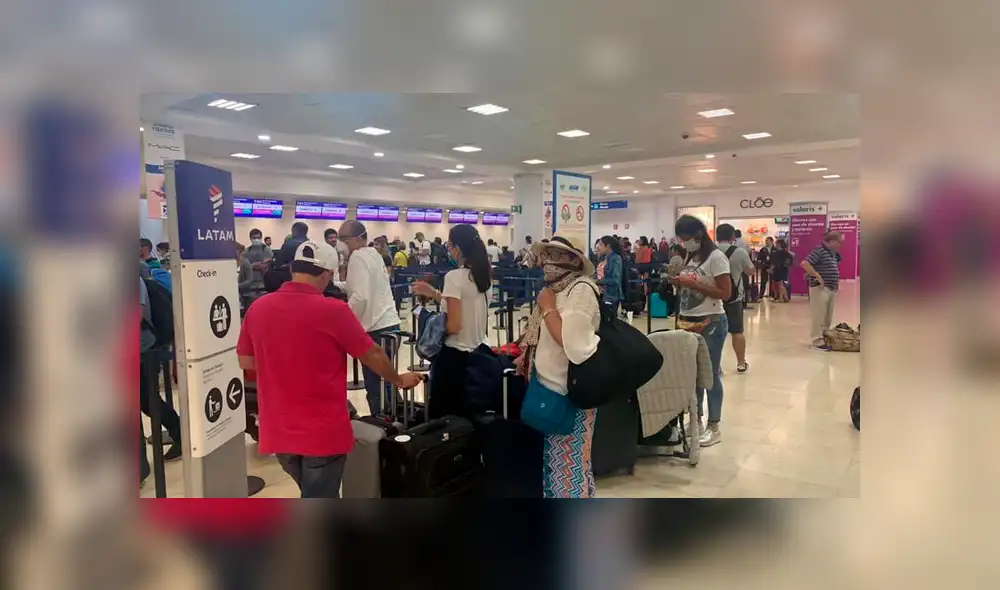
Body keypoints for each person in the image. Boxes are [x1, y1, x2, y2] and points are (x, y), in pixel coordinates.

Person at [238, 239, 421, 498]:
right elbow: (372, 354)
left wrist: (281, 368)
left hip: (277, 429)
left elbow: (246, 362)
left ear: (293, 269)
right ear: (326, 274)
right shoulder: (334, 311)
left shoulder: (258, 308)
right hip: (322, 432)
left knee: (311, 492)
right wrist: (398, 379)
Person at [515, 234, 601, 498]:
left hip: (570, 394)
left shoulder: (581, 290)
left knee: (568, 471)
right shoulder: (558, 289)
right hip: (550, 389)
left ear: (574, 260)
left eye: (557, 255)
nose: (548, 261)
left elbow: (572, 343)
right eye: (547, 254)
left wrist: (548, 307)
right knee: (558, 468)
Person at [410, 224, 492, 418]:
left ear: (458, 249)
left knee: (445, 418)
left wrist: (432, 326)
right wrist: (435, 294)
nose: (448, 249)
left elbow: (454, 325)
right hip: (480, 353)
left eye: (449, 245)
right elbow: (466, 305)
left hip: (455, 359)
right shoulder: (483, 276)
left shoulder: (454, 277)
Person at [669, 215, 731, 447]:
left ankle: (714, 426)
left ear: (698, 235)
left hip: (711, 321)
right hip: (689, 321)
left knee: (710, 374)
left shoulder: (716, 258)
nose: (683, 243)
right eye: (681, 239)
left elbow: (725, 293)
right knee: (692, 374)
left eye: (686, 238)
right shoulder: (691, 256)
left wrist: (695, 284)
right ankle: (695, 419)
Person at [337, 221, 404, 413]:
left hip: (376, 330)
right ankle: (397, 422)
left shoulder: (357, 257)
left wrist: (343, 321)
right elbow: (365, 286)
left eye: (344, 240)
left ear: (357, 239)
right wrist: (337, 285)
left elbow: (361, 297)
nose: (341, 245)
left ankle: (381, 425)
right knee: (387, 382)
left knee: (376, 389)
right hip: (390, 325)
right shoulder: (374, 254)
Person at [716, 224, 755, 373]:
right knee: (737, 331)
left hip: (713, 297)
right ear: (733, 236)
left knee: (714, 333)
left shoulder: (710, 251)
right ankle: (741, 363)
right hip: (734, 297)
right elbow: (751, 271)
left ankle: (716, 365)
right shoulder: (739, 252)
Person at [801, 231, 844, 351]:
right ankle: (816, 341)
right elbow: (805, 263)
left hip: (831, 288)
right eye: (839, 242)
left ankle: (824, 337)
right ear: (832, 241)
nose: (841, 245)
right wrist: (817, 276)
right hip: (820, 288)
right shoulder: (819, 250)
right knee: (819, 315)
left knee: (827, 316)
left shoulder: (833, 253)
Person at [594, 235, 625, 315]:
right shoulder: (603, 258)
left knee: (609, 319)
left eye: (601, 244)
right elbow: (598, 273)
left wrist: (597, 281)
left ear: (608, 246)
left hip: (611, 295)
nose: (598, 247)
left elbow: (615, 279)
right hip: (600, 294)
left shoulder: (616, 258)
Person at [244, 228, 273, 299]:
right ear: (250, 238)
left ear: (261, 238)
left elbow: (266, 265)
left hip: (263, 282)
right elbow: (246, 267)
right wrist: (260, 263)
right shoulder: (247, 251)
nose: (256, 239)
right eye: (254, 238)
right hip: (251, 283)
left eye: (258, 238)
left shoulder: (267, 250)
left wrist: (253, 265)